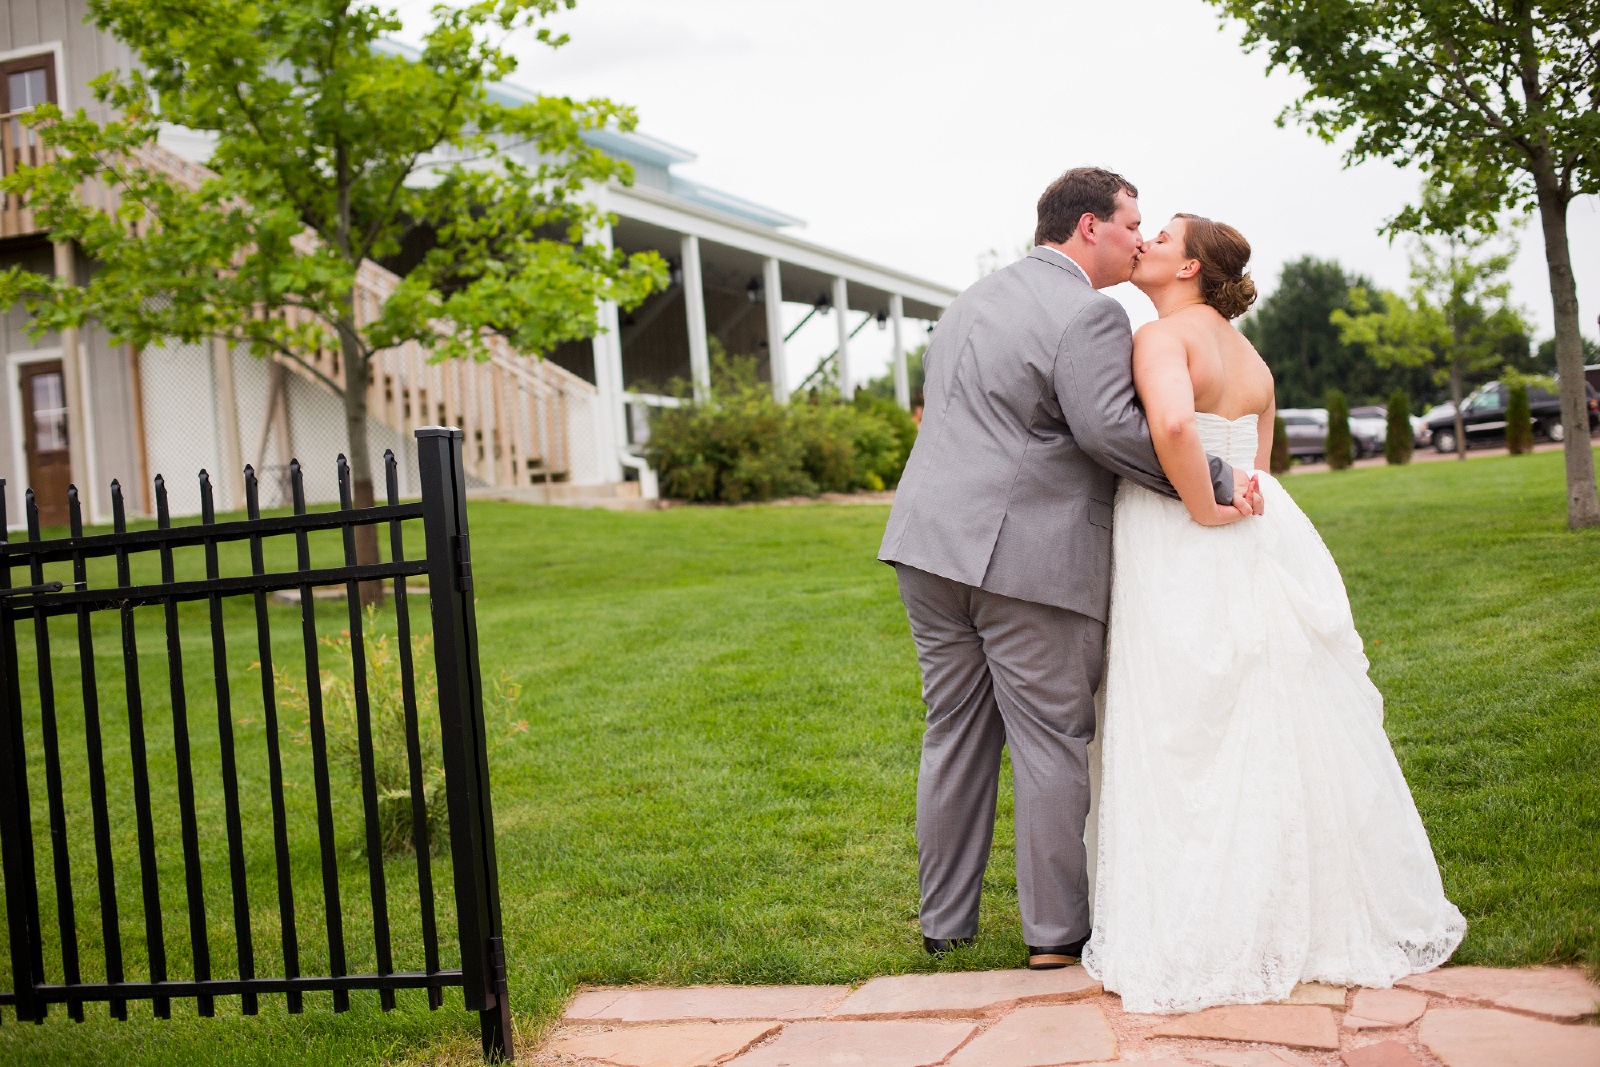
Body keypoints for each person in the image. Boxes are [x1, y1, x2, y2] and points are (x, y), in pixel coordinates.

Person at [1081, 214, 1465, 1013]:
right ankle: (1294, 904)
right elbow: (1259, 468)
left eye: (1162, 235)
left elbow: (1177, 426)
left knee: (1181, 715)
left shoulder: (1162, 338)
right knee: (1269, 709)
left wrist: (1204, 507)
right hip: (1263, 534)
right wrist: (1234, 505)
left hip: (1186, 529)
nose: (1144, 241)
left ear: (1188, 266)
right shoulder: (1252, 358)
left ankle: (1205, 919)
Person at [878, 168, 1261, 970]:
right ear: (1090, 226)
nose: (1137, 238)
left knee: (953, 730)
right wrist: (1217, 481)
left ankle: (944, 923)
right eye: (1131, 224)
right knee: (1052, 738)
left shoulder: (969, 301)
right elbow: (1113, 432)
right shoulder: (1088, 313)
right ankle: (1054, 935)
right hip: (1026, 556)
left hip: (925, 546)